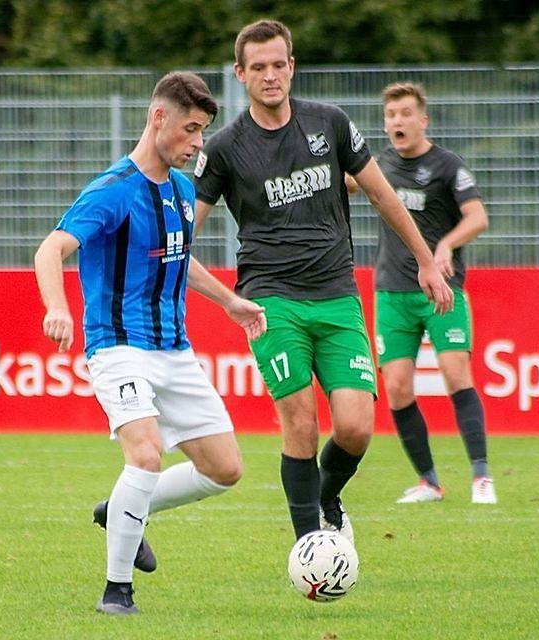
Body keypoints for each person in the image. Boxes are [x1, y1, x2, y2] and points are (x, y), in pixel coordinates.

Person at [192, 20, 454, 544]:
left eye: (278, 64)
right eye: (258, 67)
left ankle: (327, 496)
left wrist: (426, 260)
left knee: (356, 427)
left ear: (292, 66)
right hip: (271, 301)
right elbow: (182, 235)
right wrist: (219, 295)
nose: (270, 75)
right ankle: (310, 548)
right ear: (241, 74)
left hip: (337, 296)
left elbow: (382, 194)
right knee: (302, 423)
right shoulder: (223, 149)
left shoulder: (329, 124)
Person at [33, 71, 266, 616]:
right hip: (118, 346)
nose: (196, 144)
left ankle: (120, 510)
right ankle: (117, 592)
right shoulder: (113, 190)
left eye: (203, 132)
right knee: (145, 453)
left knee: (225, 469)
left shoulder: (183, 191)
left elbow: (179, 257)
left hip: (174, 348)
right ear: (158, 118)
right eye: (189, 130)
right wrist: (57, 307)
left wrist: (228, 302)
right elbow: (50, 251)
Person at [365, 82, 496, 505]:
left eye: (405, 113)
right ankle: (429, 481)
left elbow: (477, 217)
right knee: (398, 388)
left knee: (457, 374)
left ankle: (481, 477)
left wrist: (446, 245)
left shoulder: (447, 166)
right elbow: (345, 183)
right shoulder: (379, 165)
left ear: (424, 120)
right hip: (391, 292)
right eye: (391, 115)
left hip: (441, 290)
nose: (397, 122)